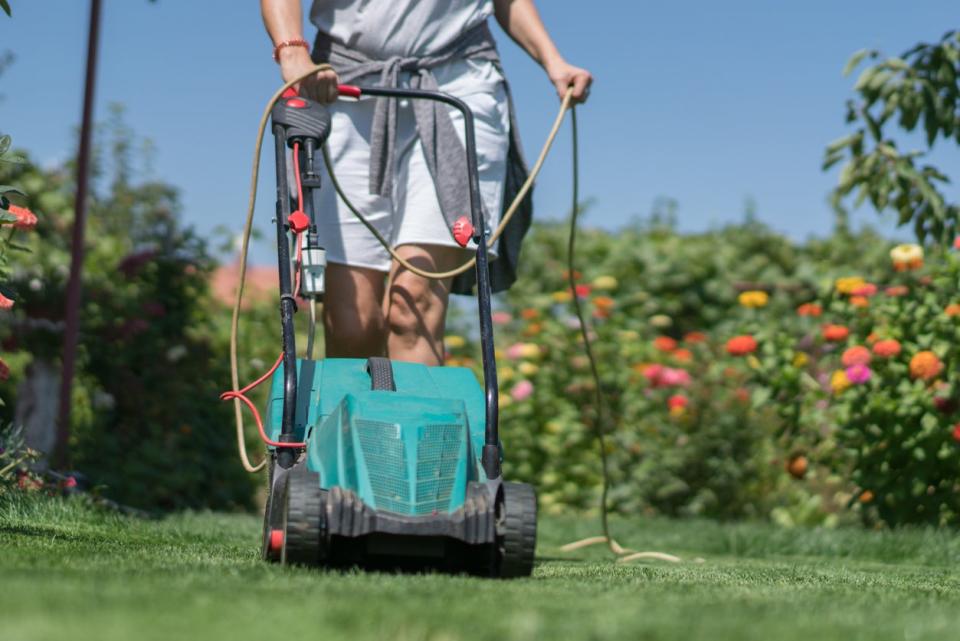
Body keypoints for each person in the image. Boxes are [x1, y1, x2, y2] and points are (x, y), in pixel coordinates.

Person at [261, 0, 592, 366]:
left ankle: (413, 423)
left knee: (413, 307)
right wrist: (290, 48)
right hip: (344, 84)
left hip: (457, 85)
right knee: (352, 322)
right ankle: (357, 422)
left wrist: (552, 60)